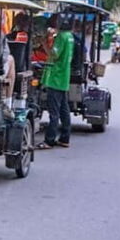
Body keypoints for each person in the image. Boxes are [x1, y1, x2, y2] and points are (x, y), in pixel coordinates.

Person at [37, 15, 75, 149]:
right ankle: (65, 138)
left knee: (54, 111)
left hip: (56, 78)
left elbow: (54, 54)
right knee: (64, 110)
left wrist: (44, 43)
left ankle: (49, 140)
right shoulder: (70, 36)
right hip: (64, 77)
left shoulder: (62, 37)